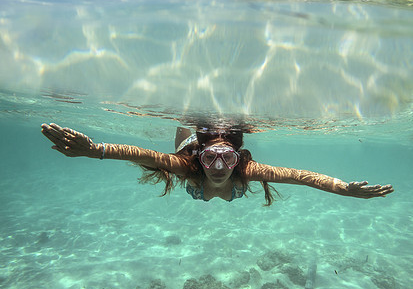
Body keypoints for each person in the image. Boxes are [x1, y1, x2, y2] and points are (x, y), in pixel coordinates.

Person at [40, 123, 394, 205]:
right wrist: (95, 148)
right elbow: (141, 154)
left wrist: (343, 188)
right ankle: (193, 138)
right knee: (185, 143)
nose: (219, 165)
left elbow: (302, 177)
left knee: (225, 193)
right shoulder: (189, 165)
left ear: (239, 158)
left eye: (228, 157)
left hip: (209, 165)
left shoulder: (245, 171)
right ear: (201, 158)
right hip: (188, 144)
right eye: (211, 157)